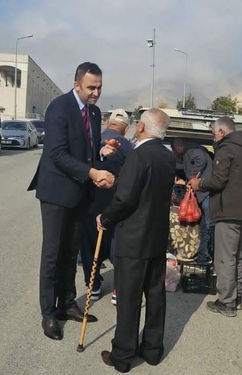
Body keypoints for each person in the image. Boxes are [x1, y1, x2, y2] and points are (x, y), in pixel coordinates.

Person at [27, 62, 116, 341]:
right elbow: (56, 154)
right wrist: (92, 172)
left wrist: (100, 153)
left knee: (71, 252)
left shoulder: (95, 111)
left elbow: (86, 149)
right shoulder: (59, 107)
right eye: (91, 87)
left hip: (80, 193)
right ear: (77, 84)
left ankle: (66, 303)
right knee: (53, 253)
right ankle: (48, 313)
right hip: (56, 192)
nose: (96, 93)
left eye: (100, 87)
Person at [97, 108, 175, 373]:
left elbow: (126, 198)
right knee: (155, 295)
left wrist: (105, 218)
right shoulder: (167, 156)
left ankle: (123, 355)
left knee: (129, 299)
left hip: (134, 237)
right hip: (156, 237)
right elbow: (148, 188)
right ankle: (153, 350)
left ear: (141, 127)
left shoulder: (138, 155)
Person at [188, 117, 242, 317]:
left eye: (213, 133)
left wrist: (199, 184)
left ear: (221, 131)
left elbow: (218, 181)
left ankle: (226, 302)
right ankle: (236, 296)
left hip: (230, 211)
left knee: (225, 258)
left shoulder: (227, 149)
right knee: (239, 256)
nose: (213, 137)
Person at [77, 109, 134, 305]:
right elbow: (131, 179)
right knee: (116, 244)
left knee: (89, 244)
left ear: (108, 123)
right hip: (115, 203)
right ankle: (119, 288)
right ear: (125, 128)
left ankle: (93, 285)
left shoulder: (93, 140)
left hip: (90, 202)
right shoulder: (128, 147)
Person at [171, 137, 213, 265]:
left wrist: (192, 178)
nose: (173, 152)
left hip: (205, 194)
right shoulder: (191, 151)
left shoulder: (192, 150)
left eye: (173, 149)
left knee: (207, 225)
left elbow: (202, 159)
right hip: (204, 193)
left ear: (178, 146)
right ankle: (202, 254)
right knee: (204, 225)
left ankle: (205, 254)